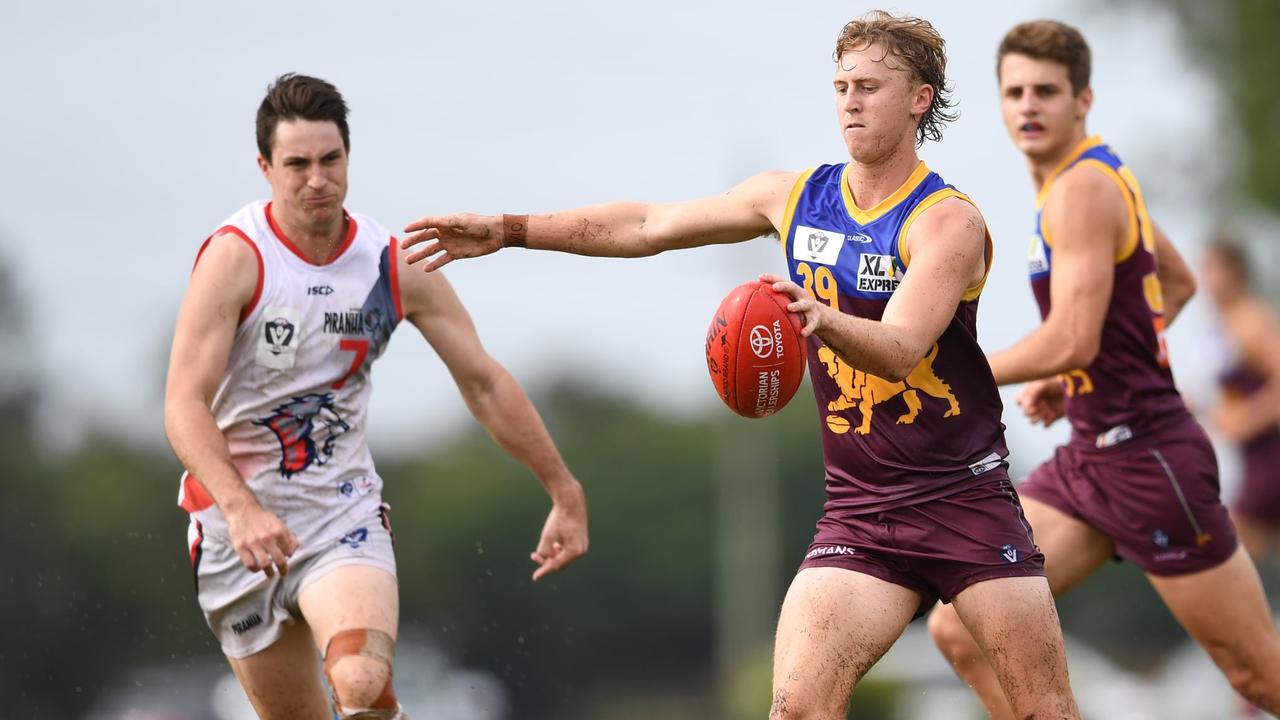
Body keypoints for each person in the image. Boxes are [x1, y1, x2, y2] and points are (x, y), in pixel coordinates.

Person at [400, 11, 1080, 719]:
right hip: (862, 514)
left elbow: (905, 347)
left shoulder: (947, 222)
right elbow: (646, 227)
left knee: (1044, 709)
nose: (850, 100)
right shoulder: (793, 198)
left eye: (871, 87)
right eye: (842, 85)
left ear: (920, 99)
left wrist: (823, 319)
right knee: (795, 708)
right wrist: (511, 231)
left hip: (963, 499)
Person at [163, 73, 588, 720]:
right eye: (297, 164)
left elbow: (483, 381)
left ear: (348, 159)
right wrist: (242, 509)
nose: (317, 179)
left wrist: (562, 487)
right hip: (233, 531)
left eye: (331, 160)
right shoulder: (237, 259)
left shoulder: (391, 264)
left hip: (342, 517)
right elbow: (184, 404)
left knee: (361, 685)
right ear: (265, 167)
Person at [926, 20, 1280, 717]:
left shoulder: (1083, 189)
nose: (1029, 106)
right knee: (962, 626)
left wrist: (955, 369)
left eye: (1047, 92)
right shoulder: (1078, 182)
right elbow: (1171, 285)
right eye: (1015, 92)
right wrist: (1073, 373)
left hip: (1152, 464)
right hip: (1091, 458)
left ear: (1083, 100)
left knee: (1257, 677)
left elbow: (1072, 338)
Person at [1204, 237, 1280, 563]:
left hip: (1271, 455)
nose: (1204, 278)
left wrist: (1245, 420)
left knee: (1225, 546)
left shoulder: (1253, 320)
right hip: (1248, 461)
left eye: (1212, 268)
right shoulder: (1222, 326)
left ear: (1235, 271)